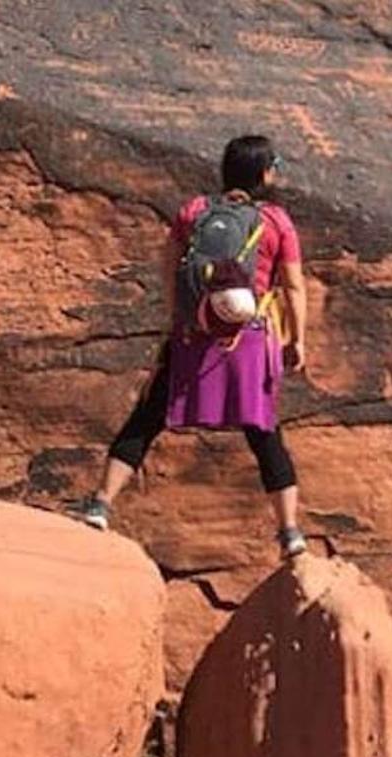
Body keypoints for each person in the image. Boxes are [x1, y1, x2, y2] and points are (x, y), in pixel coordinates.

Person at [70, 135, 311, 559]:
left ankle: (100, 504)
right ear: (264, 173)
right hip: (250, 339)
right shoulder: (276, 221)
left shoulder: (195, 211)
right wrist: (297, 338)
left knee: (147, 417)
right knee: (265, 432)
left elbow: (169, 267)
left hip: (193, 335)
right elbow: (293, 286)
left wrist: (181, 317)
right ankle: (290, 533)